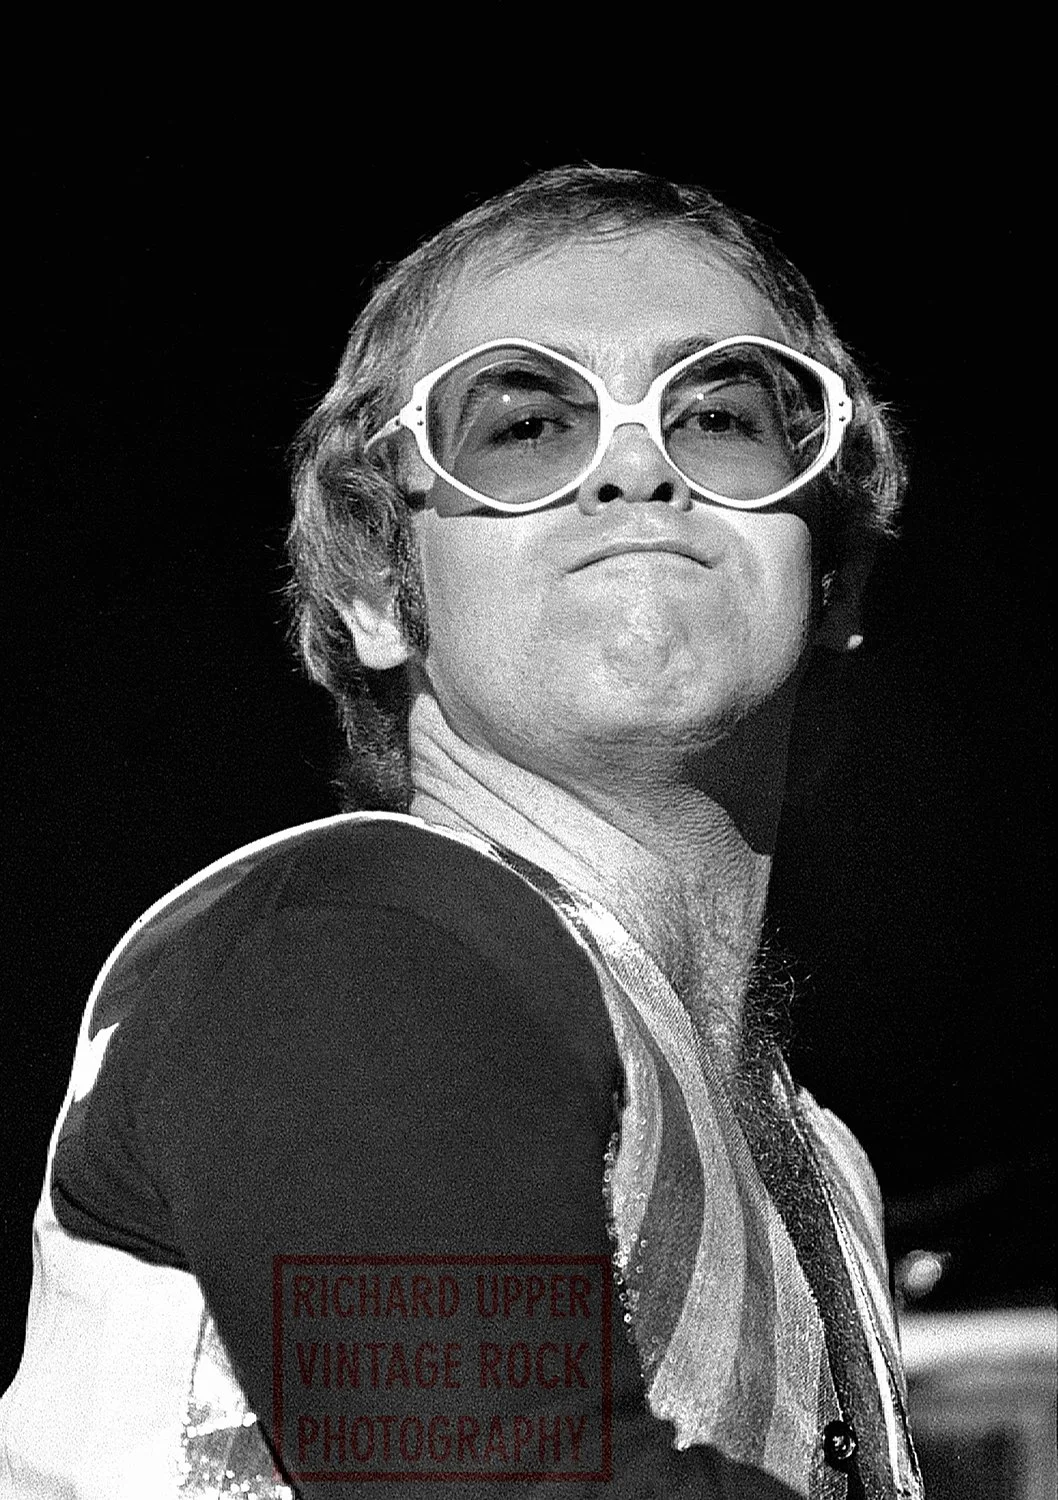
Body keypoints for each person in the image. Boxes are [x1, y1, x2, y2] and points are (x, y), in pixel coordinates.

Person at [0, 165, 922, 1499]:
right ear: (379, 587)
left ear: (832, 575)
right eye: (521, 425)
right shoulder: (346, 949)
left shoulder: (821, 1167)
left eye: (716, 410)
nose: (630, 465)